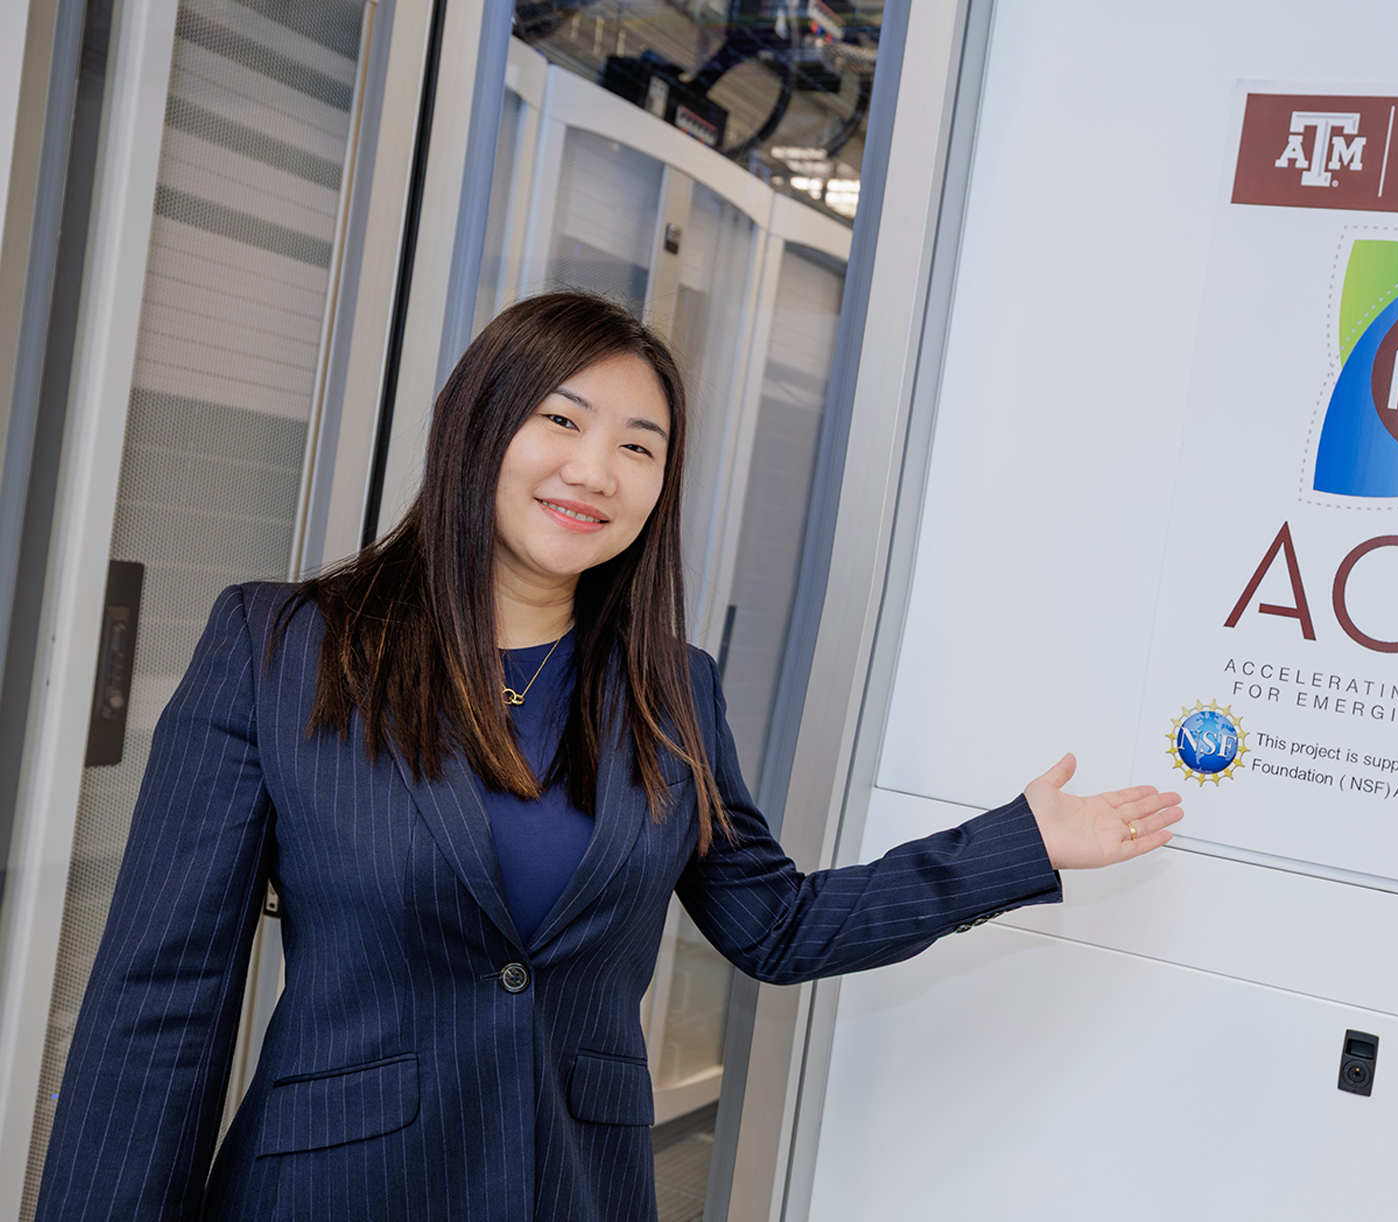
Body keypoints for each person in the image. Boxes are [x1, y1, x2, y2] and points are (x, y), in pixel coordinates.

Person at [36, 293, 1183, 1220]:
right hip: (333, 1183)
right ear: (479, 426)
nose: (596, 470)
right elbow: (160, 996)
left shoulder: (668, 689)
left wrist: (1019, 843)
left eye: (639, 446)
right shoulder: (283, 646)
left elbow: (773, 925)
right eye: (561, 422)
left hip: (573, 1189)